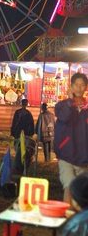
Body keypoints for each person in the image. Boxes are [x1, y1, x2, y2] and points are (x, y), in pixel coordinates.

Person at [54, 73, 88, 203]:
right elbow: (64, 117)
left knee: (81, 193)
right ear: (71, 87)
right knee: (68, 186)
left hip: (84, 158)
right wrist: (70, 101)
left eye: (82, 85)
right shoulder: (62, 106)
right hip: (66, 155)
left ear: (86, 88)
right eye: (76, 85)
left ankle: (78, 221)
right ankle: (68, 220)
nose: (79, 88)